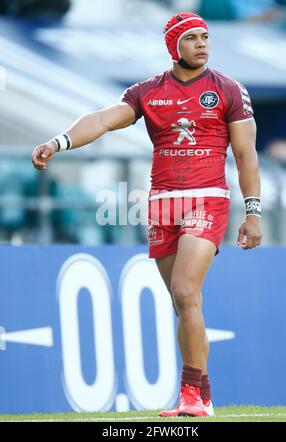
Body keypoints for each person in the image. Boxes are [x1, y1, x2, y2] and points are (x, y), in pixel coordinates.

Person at [32, 12, 262, 417]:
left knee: (188, 291)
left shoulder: (228, 89)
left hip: (207, 199)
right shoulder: (148, 92)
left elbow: (245, 154)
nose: (203, 44)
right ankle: (203, 395)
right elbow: (102, 120)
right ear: (174, 46)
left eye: (205, 37)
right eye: (192, 38)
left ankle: (191, 395)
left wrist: (253, 211)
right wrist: (59, 141)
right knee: (182, 302)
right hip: (162, 204)